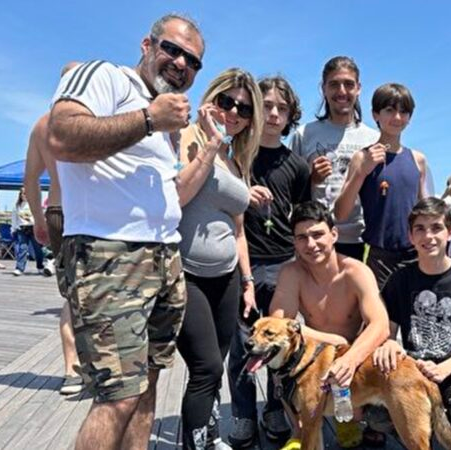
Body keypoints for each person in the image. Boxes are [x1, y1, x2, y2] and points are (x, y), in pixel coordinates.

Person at [47, 14, 203, 450]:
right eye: (172, 49)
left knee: (146, 385)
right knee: (117, 396)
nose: (181, 63)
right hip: (109, 253)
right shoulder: (106, 77)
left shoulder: (164, 116)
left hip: (163, 256)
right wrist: (149, 119)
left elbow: (170, 192)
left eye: (193, 60)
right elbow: (62, 135)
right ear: (147, 45)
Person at [175, 67, 263, 450]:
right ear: (212, 98)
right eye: (227, 101)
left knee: (219, 362)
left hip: (227, 277)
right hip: (186, 273)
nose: (234, 112)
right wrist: (210, 144)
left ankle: (209, 436)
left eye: (244, 109)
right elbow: (176, 196)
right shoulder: (185, 137)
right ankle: (194, 444)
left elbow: (238, 230)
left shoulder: (236, 159)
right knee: (206, 367)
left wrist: (248, 282)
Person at [226, 75, 309, 447]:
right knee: (242, 344)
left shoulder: (298, 165)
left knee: (278, 345)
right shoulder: (235, 155)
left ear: (291, 115)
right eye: (267, 106)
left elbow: (303, 217)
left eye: (282, 108)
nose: (274, 114)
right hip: (242, 262)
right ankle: (243, 415)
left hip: (283, 265)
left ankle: (275, 408)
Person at [371, 197, 451, 441]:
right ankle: (417, 437)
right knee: (375, 413)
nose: (428, 236)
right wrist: (389, 344)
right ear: (411, 236)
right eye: (420, 229)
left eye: (436, 228)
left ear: (450, 232)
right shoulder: (400, 279)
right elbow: (387, 332)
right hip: (413, 365)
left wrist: (444, 368)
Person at [270, 201, 390, 448]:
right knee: (279, 356)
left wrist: (350, 359)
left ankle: (349, 419)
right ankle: (299, 431)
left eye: (317, 234)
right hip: (313, 359)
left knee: (362, 414)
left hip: (351, 356)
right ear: (294, 242)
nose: (311, 244)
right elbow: (279, 324)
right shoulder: (291, 274)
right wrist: (329, 340)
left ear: (334, 234)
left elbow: (380, 324)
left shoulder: (356, 272)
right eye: (302, 237)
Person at [24, 61, 84, 396]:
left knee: (72, 296)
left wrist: (38, 218)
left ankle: (72, 368)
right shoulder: (92, 120)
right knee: (92, 293)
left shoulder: (42, 124)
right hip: (87, 213)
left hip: (58, 211)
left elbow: (30, 180)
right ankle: (83, 367)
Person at [334, 83, 429, 289]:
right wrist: (362, 172)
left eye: (403, 111)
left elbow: (425, 210)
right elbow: (340, 213)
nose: (397, 117)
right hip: (378, 256)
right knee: (378, 309)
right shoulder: (362, 157)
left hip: (414, 254)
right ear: (375, 114)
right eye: (389, 110)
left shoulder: (418, 159)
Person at [290, 56, 379, 261]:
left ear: (358, 88)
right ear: (323, 89)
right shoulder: (304, 134)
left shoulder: (373, 138)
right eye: (334, 84)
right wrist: (311, 178)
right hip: (314, 238)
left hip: (359, 239)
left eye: (348, 84)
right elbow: (290, 190)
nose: (341, 91)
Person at [11, 187, 49, 277]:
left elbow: (40, 216)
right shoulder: (17, 206)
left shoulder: (34, 205)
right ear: (20, 195)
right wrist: (13, 229)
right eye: (23, 193)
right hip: (22, 229)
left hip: (33, 228)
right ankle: (19, 268)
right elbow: (14, 219)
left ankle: (40, 266)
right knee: (22, 248)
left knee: (38, 249)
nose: (25, 195)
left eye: (27, 193)